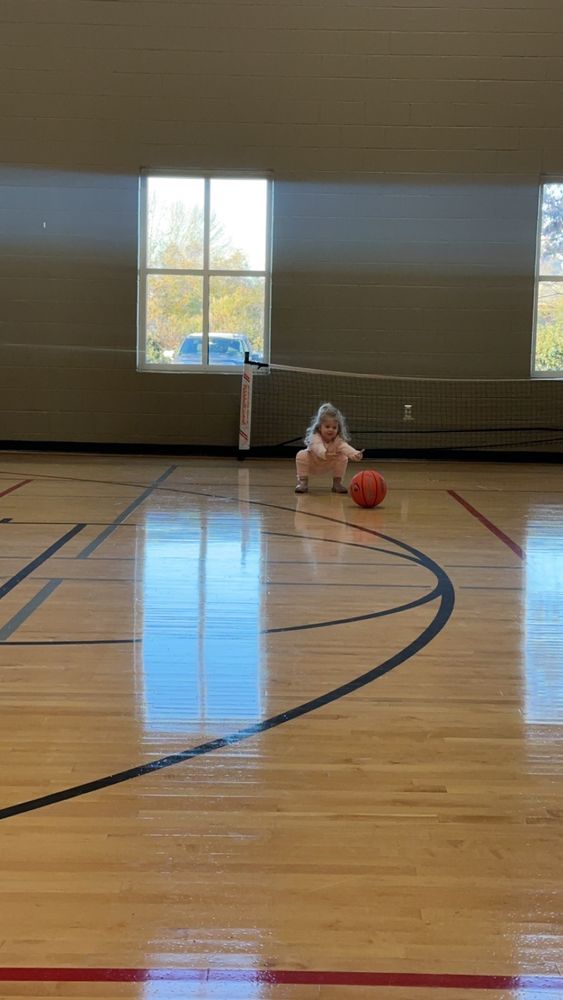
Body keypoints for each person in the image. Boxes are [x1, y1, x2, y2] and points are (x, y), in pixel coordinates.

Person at [295, 402, 363, 494]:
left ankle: (337, 483)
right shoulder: (315, 437)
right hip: (313, 462)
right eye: (327, 426)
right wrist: (324, 452)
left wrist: (355, 454)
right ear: (319, 427)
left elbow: (345, 447)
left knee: (343, 457)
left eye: (334, 427)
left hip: (328, 463)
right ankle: (303, 482)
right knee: (301, 455)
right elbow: (317, 446)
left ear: (338, 429)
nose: (331, 429)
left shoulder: (338, 441)